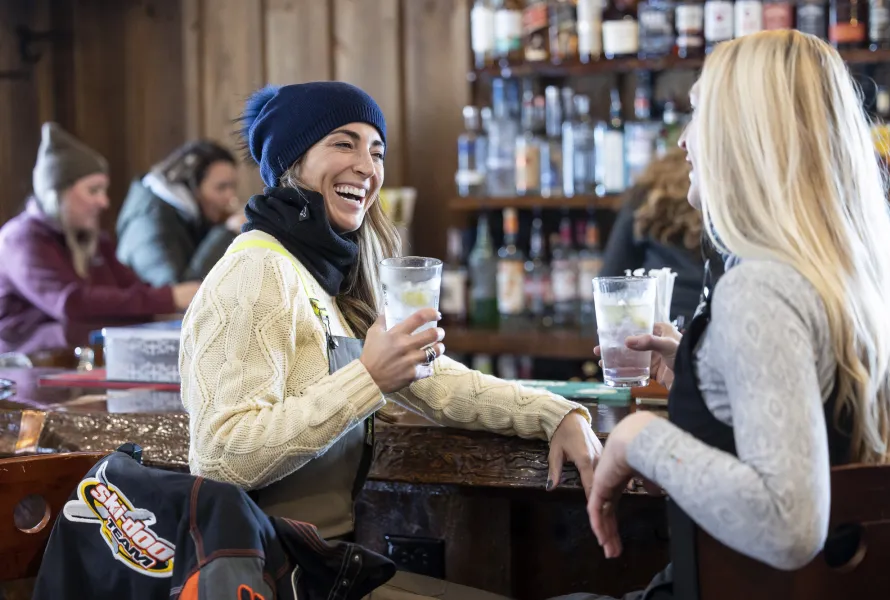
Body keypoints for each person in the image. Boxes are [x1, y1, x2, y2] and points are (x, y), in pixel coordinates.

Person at [180, 82, 601, 599]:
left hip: (324, 567)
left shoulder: (322, 275)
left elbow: (435, 382)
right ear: (292, 159)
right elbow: (222, 457)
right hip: (271, 577)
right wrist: (369, 379)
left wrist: (554, 414)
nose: (367, 166)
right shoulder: (256, 269)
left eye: (376, 151)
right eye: (343, 143)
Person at [585, 30, 890, 598]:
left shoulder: (760, 287)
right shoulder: (863, 271)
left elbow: (789, 524)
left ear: (748, 134)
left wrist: (636, 438)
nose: (683, 141)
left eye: (699, 113)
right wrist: (705, 372)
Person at [0, 123, 200, 352]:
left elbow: (132, 288)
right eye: (93, 190)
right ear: (57, 193)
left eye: (104, 191)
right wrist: (169, 299)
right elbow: (71, 303)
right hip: (26, 369)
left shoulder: (95, 239)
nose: (104, 202)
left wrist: (164, 307)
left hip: (82, 363)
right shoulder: (20, 240)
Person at [116, 140, 244, 286]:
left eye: (233, 187)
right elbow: (178, 292)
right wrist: (226, 232)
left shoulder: (188, 215)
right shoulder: (150, 222)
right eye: (221, 188)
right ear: (191, 186)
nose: (231, 198)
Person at [600, 148, 704, 325]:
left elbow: (610, 283)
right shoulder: (739, 194)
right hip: (712, 332)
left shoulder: (650, 189)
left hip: (652, 329)